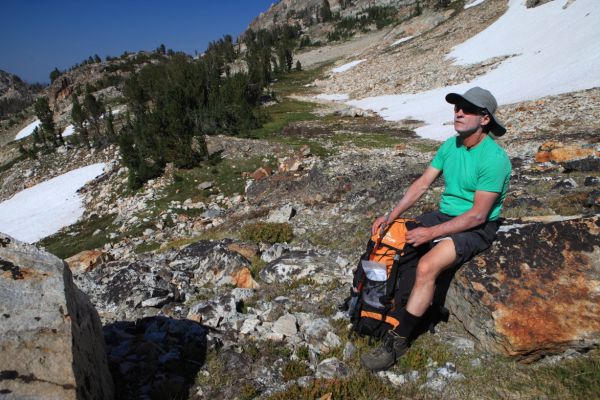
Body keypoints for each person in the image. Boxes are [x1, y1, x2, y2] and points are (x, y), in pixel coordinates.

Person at [360, 87, 512, 372]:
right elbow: (421, 184)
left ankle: (399, 341)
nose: (459, 112)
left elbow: (478, 215)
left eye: (467, 109)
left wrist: (431, 233)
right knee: (393, 240)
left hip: (476, 227)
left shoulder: (494, 159)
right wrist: (390, 215)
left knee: (428, 265)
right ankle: (387, 307)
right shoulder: (450, 146)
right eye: (457, 107)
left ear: (485, 119)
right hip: (445, 214)